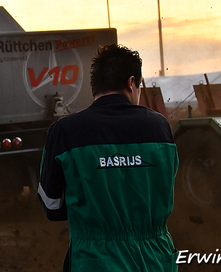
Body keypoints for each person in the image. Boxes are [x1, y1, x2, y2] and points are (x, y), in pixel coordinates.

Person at [38, 44, 178, 271]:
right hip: (155, 259)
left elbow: (52, 206)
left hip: (95, 260)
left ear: (95, 87)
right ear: (131, 83)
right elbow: (164, 188)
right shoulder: (160, 127)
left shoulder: (65, 131)